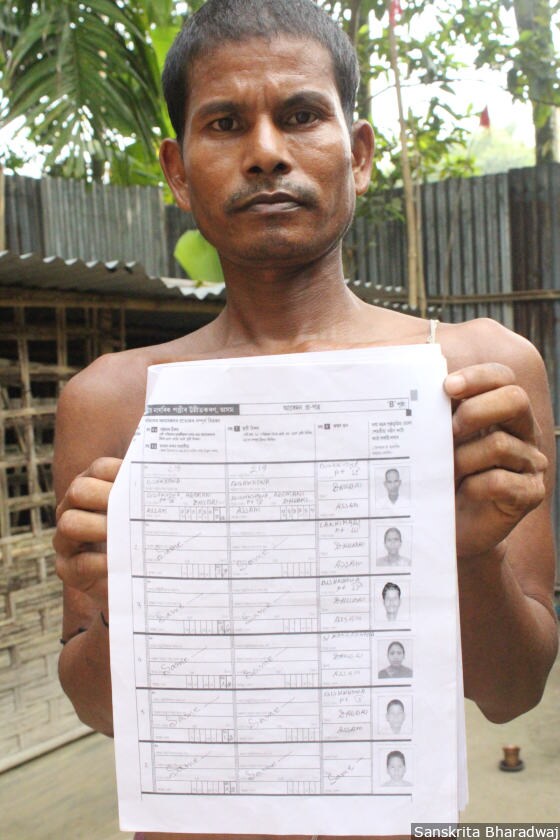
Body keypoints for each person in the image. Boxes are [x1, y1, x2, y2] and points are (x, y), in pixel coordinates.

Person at [53, 0, 558, 837]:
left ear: (358, 154)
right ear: (178, 171)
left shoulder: (477, 379)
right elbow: (98, 710)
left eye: (300, 115)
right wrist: (122, 604)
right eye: (225, 123)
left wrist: (470, 554)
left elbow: (515, 692)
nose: (265, 152)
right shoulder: (109, 400)